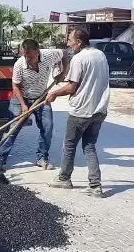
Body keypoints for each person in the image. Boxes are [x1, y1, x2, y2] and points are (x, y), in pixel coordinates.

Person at [45, 28, 110, 198]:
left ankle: (64, 178)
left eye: (70, 40)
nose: (68, 43)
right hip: (99, 110)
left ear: (79, 41)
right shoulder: (100, 55)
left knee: (69, 145)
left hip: (81, 110)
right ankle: (96, 186)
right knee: (89, 147)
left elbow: (72, 87)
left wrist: (53, 93)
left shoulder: (79, 59)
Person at [0, 39, 67, 175]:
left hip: (41, 97)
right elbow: (15, 86)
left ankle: (42, 158)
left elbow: (64, 53)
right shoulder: (19, 64)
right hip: (21, 97)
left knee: (48, 127)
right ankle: (0, 159)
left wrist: (63, 72)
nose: (27, 59)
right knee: (12, 129)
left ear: (38, 52)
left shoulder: (49, 55)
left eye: (30, 56)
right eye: (25, 55)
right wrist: (23, 105)